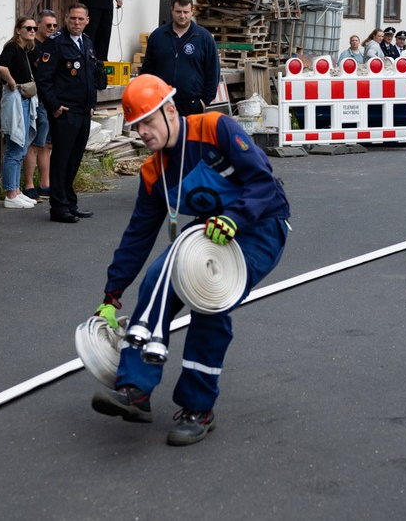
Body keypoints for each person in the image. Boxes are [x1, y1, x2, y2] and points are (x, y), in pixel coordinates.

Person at [89, 75, 290, 446]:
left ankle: (199, 407)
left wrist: (236, 218)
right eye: (137, 127)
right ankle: (135, 389)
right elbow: (138, 235)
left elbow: (262, 182)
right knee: (155, 281)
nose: (143, 133)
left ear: (170, 110)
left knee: (209, 298)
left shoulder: (216, 128)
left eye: (149, 121)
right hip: (208, 231)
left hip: (261, 224)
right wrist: (112, 291)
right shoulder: (153, 172)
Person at [36, 3, 100, 224]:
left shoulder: (87, 43)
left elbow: (91, 77)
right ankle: (59, 207)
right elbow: (43, 80)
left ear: (87, 21)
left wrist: (92, 103)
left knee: (74, 160)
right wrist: (54, 106)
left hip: (83, 112)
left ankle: (70, 202)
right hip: (65, 112)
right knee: (61, 160)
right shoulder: (55, 43)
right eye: (73, 19)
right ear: (66, 18)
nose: (76, 23)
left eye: (81, 19)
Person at [138, 0, 220, 116]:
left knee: (190, 136)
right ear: (172, 10)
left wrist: (203, 102)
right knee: (165, 136)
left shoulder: (204, 38)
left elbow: (213, 72)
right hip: (162, 103)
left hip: (192, 106)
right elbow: (147, 70)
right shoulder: (158, 36)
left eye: (186, 12)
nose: (182, 16)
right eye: (178, 12)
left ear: (192, 11)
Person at [0, 16, 40, 209]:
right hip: (16, 99)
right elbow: (0, 66)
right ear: (18, 30)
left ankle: (16, 189)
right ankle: (11, 193)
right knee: (15, 147)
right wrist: (12, 82)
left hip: (24, 99)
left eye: (34, 28)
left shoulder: (25, 49)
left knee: (21, 148)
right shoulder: (12, 48)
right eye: (28, 28)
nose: (32, 31)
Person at [23, 9, 58, 200]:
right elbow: (45, 69)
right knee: (35, 143)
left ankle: (45, 184)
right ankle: (28, 185)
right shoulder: (32, 46)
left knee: (47, 144)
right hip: (38, 99)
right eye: (48, 25)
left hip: (51, 99)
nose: (52, 28)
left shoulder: (52, 45)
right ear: (38, 26)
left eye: (54, 25)